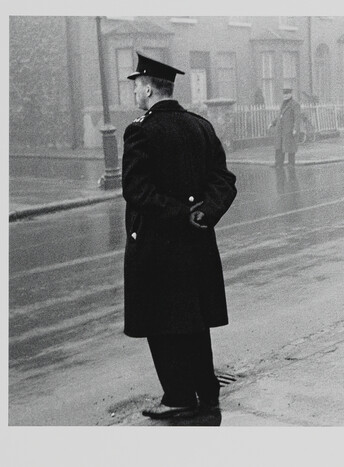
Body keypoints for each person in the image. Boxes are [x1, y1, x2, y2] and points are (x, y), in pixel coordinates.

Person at [122, 53, 237, 419]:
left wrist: (179, 215)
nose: (135, 92)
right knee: (195, 320)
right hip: (197, 243)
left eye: (137, 85)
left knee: (162, 323)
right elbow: (224, 181)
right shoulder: (200, 126)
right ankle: (207, 389)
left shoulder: (140, 130)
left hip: (158, 247)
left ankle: (178, 397)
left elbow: (136, 190)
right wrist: (203, 213)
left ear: (149, 88)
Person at [269, 87, 301, 167]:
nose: (285, 96)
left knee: (290, 147)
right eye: (284, 94)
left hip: (289, 130)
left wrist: (295, 129)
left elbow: (297, 118)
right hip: (280, 129)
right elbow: (279, 116)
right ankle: (278, 163)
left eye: (287, 94)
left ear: (291, 94)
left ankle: (291, 163)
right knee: (279, 146)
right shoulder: (283, 104)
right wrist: (273, 123)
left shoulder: (295, 104)